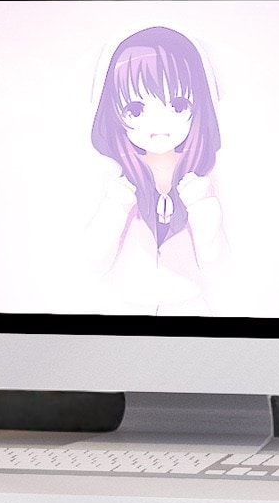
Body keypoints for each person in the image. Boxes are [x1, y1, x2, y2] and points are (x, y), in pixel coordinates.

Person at [85, 25, 229, 313]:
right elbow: (91, 260)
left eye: (177, 104)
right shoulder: (110, 176)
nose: (159, 124)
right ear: (112, 113)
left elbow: (218, 261)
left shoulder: (206, 175)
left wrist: (203, 209)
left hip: (189, 310)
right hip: (122, 311)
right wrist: (114, 207)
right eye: (135, 110)